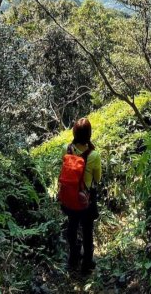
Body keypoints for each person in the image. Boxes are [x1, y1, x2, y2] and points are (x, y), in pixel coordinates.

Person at [61, 117, 101, 274]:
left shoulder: (66, 149)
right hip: (86, 199)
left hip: (69, 197)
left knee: (72, 226)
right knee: (87, 230)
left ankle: (73, 257)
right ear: (89, 134)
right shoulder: (94, 155)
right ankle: (87, 263)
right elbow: (97, 179)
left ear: (74, 132)